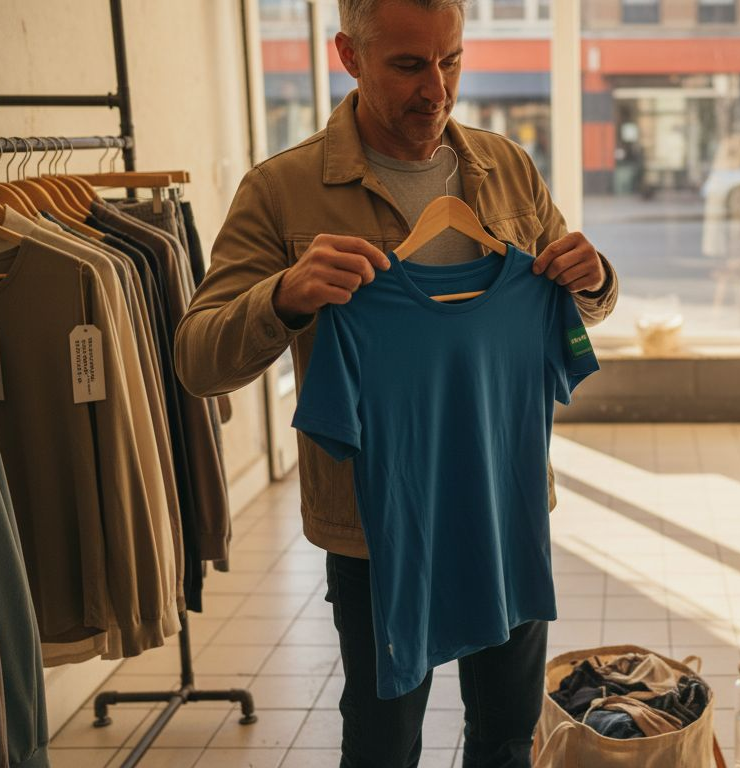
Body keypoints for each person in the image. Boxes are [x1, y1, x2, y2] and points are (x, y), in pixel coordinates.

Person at [174, 1, 618, 765]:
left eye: (451, 60)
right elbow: (197, 359)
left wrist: (597, 278)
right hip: (376, 526)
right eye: (410, 65)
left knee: (508, 735)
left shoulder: (507, 167)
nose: (437, 90)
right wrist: (282, 296)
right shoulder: (282, 189)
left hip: (502, 505)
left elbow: (578, 305)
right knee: (383, 743)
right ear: (349, 54)